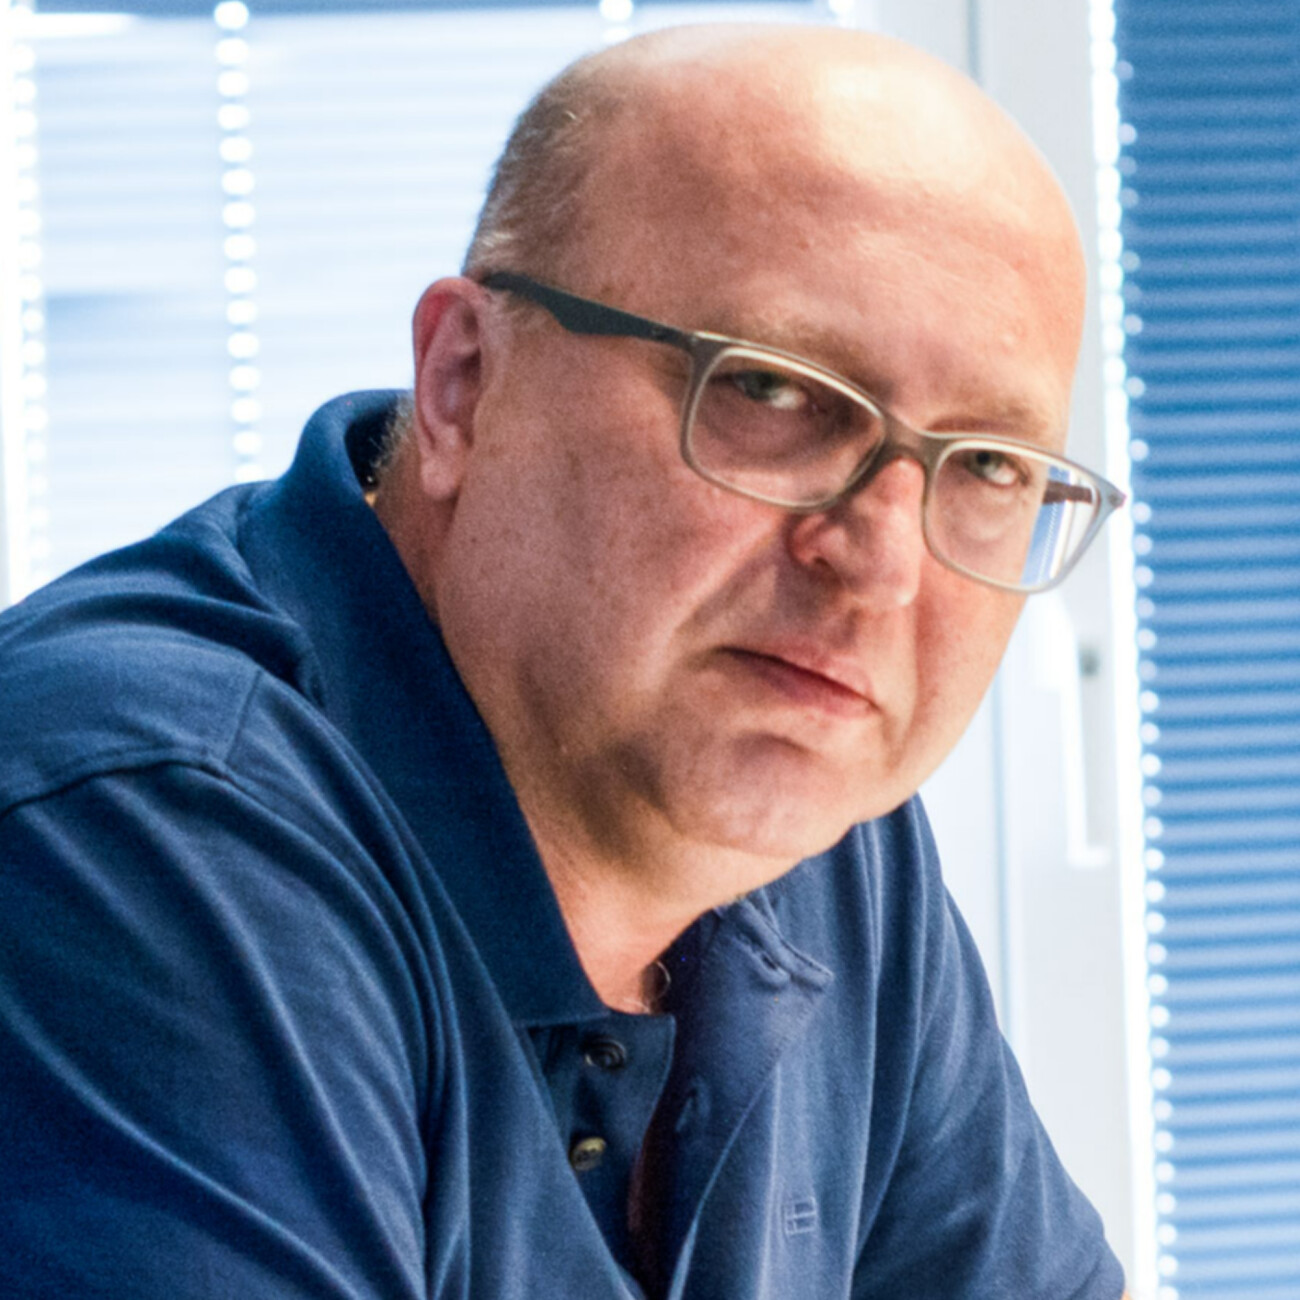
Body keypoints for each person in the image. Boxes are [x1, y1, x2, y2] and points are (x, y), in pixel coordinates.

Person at [0, 21, 1130, 1300]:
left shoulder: (817, 818)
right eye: (769, 391)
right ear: (463, 383)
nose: (880, 563)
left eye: (987, 465)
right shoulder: (143, 824)